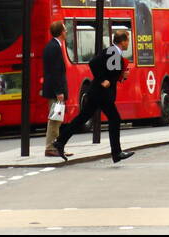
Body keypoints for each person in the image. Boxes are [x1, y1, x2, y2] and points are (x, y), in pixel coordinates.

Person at [54, 31, 133, 163]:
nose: (128, 44)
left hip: (97, 93)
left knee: (82, 118)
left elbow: (110, 71)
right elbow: (93, 63)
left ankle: (60, 142)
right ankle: (116, 153)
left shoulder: (112, 51)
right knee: (115, 119)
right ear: (123, 41)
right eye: (127, 41)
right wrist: (103, 79)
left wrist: (119, 77)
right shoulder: (113, 52)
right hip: (102, 94)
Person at [42, 21, 71, 158]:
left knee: (57, 120)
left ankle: (57, 147)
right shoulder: (54, 47)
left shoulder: (53, 46)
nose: (66, 32)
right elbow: (55, 72)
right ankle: (51, 147)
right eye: (65, 30)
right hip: (56, 92)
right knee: (54, 120)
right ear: (61, 32)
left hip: (55, 90)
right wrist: (59, 91)